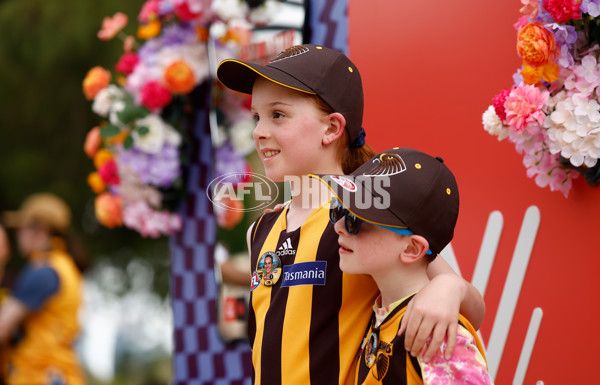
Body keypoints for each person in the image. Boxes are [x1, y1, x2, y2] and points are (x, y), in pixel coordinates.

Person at [216, 44, 485, 384]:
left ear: (331, 129)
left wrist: (448, 288)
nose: (259, 131)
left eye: (278, 115)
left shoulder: (366, 217)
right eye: (256, 117)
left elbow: (472, 308)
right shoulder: (260, 229)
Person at [313, 147, 493, 384]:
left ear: (411, 249)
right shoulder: (382, 314)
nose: (338, 226)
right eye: (339, 210)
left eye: (356, 220)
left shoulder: (436, 334)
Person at [0, 193, 86, 385]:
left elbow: (2, 327)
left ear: (40, 230)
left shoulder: (43, 271)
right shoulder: (65, 267)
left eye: (21, 229)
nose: (17, 236)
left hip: (37, 375)